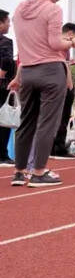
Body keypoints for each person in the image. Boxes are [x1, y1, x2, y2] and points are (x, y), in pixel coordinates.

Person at [8, 0, 75, 186]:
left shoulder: (19, 10)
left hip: (28, 70)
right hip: (51, 71)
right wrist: (72, 42)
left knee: (26, 122)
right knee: (47, 123)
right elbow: (54, 44)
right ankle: (39, 171)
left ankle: (20, 172)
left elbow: (25, 44)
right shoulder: (52, 9)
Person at [48, 22, 75, 160]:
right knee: (62, 117)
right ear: (71, 34)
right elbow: (64, 65)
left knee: (55, 117)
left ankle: (53, 147)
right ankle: (58, 147)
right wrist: (70, 86)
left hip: (53, 83)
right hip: (62, 84)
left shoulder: (55, 43)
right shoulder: (63, 45)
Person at [0, 9, 16, 167]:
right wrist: (2, 73)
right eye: (7, 21)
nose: (9, 25)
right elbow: (6, 60)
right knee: (4, 120)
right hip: (3, 86)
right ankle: (2, 155)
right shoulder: (5, 42)